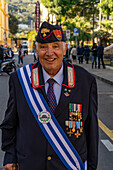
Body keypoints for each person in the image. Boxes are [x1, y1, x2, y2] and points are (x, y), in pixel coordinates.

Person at [0, 21, 98, 170]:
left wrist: (91, 166)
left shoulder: (85, 81)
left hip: (69, 165)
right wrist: (9, 156)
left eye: (55, 46)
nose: (50, 53)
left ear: (64, 49)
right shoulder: (20, 79)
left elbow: (91, 130)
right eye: (43, 47)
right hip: (30, 165)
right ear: (36, 50)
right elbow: (10, 123)